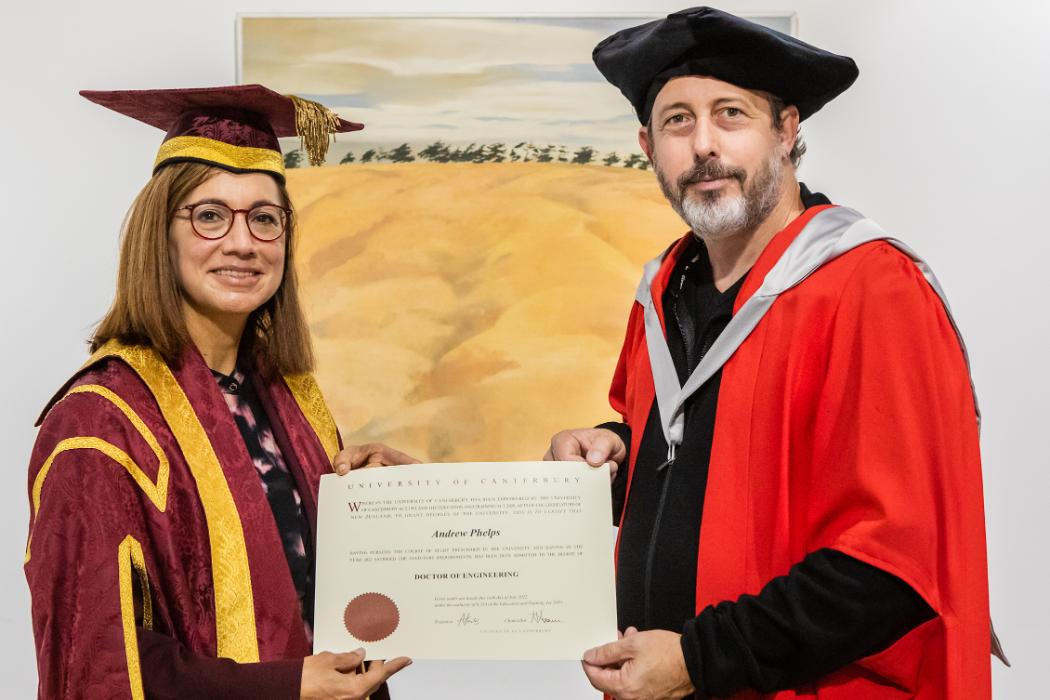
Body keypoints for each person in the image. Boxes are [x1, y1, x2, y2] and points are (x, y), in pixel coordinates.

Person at [544, 8, 998, 699]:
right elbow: (704, 461)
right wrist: (615, 454)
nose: (703, 145)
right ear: (647, 145)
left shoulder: (869, 289)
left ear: (786, 131)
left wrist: (698, 660)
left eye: (730, 114)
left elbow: (894, 562)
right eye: (677, 121)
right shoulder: (666, 291)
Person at [25, 84, 414, 699]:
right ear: (161, 233)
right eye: (209, 215)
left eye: (265, 218)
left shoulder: (291, 400)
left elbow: (319, 594)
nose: (243, 243)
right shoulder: (101, 423)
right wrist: (286, 686)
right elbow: (96, 661)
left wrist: (393, 505)